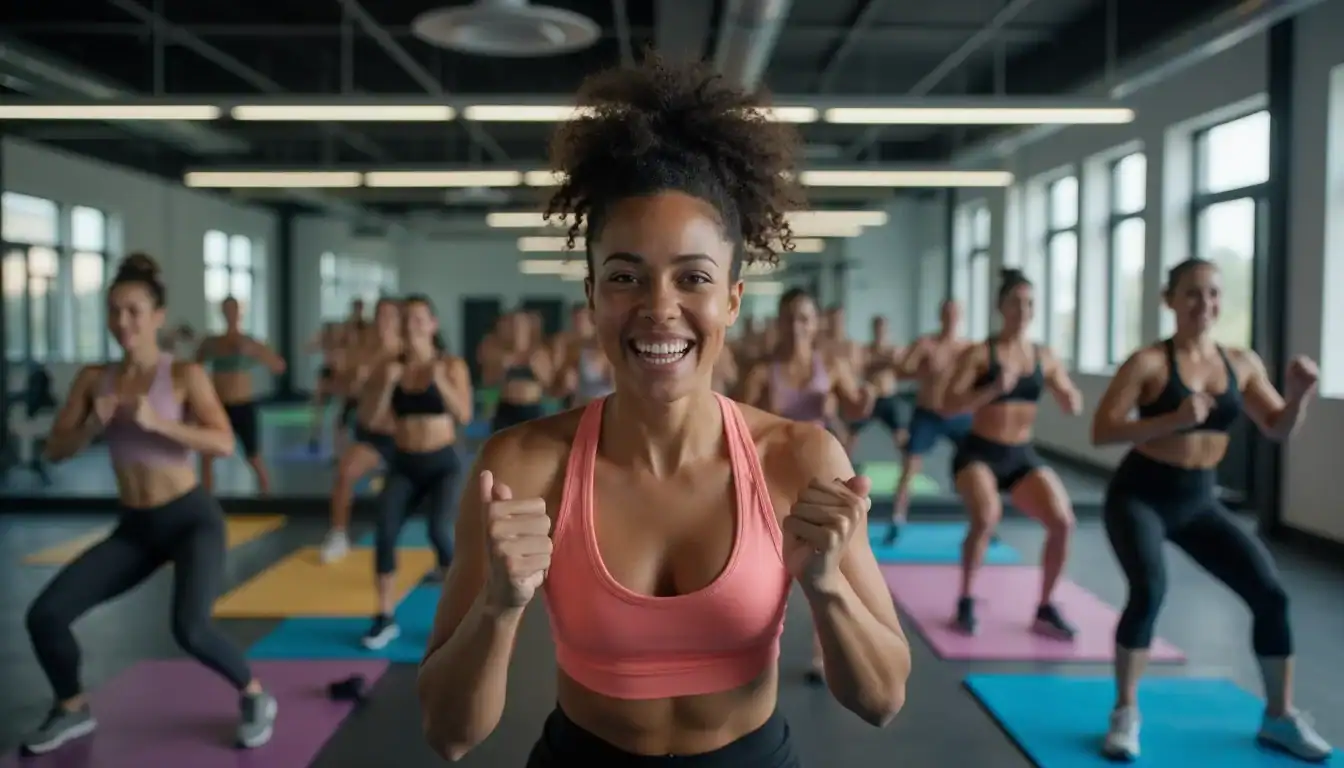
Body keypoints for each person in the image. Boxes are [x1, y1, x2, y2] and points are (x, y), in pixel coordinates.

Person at [417, 56, 909, 767]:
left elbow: (883, 700)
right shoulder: (522, 468)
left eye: (693, 277)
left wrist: (827, 586)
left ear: (732, 299)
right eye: (625, 276)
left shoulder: (799, 460)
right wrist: (498, 605)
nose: (658, 308)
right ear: (590, 296)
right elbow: (448, 733)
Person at [23, 253, 277, 755]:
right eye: (114, 311)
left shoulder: (183, 374)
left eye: (134, 311)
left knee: (190, 628)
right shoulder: (95, 379)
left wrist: (159, 424)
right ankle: (71, 706)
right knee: (46, 615)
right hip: (136, 527)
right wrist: (93, 426)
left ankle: (255, 695)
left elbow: (223, 443)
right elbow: (54, 449)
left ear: (157, 315)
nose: (123, 322)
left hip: (190, 519)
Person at [1090, 258, 1330, 762]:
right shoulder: (1149, 363)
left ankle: (1279, 718)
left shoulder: (1240, 363)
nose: (1205, 304)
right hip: (1141, 495)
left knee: (1270, 593)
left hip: (1199, 499)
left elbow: (1278, 428)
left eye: (1214, 294)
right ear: (1170, 300)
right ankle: (1125, 713)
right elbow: (1103, 431)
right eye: (1193, 294)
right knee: (1149, 588)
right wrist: (1171, 420)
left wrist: (1299, 395)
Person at [738, 287, 877, 685]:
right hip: (774, 473)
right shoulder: (762, 372)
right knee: (768, 567)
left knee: (827, 562)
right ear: (779, 323)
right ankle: (757, 647)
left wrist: (865, 399)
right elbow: (739, 425)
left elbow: (854, 409)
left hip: (821, 472)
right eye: (790, 318)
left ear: (815, 325)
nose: (797, 326)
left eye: (804, 318)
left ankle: (821, 652)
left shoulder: (830, 366)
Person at [943, 269, 1083, 639]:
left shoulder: (1044, 356)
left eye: (1030, 303)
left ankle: (1045, 607)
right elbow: (947, 405)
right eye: (1016, 303)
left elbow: (1069, 393)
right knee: (987, 517)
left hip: (1020, 454)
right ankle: (966, 598)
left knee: (1062, 521)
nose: (1023, 310)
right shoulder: (979, 354)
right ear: (1000, 307)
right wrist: (990, 390)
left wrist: (1070, 399)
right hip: (978, 453)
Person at [359, 295, 472, 649]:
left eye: (420, 318)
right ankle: (385, 616)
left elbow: (464, 415)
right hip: (404, 462)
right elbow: (370, 419)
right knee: (385, 530)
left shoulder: (451, 365)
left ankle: (462, 616)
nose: (412, 325)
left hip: (442, 464)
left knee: (440, 532)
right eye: (407, 319)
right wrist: (389, 384)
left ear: (433, 325)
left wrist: (438, 380)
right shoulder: (389, 367)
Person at [882, 300, 974, 543]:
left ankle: (982, 521)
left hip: (959, 415)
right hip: (928, 413)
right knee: (910, 467)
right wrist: (915, 367)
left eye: (955, 314)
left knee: (976, 469)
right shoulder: (926, 344)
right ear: (940, 316)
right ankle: (897, 520)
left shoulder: (969, 348)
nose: (951, 318)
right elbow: (900, 371)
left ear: (961, 317)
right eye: (947, 313)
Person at [320, 298, 404, 563]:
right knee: (345, 473)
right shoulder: (361, 352)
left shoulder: (408, 352)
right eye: (379, 315)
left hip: (406, 438)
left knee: (405, 496)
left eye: (390, 316)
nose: (383, 322)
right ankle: (338, 535)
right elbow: (341, 389)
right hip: (372, 435)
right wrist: (354, 379)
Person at [195, 297, 287, 495]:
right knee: (207, 454)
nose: (230, 314)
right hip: (218, 406)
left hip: (243, 405)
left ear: (239, 313)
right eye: (226, 310)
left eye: (234, 310)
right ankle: (207, 499)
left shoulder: (249, 342)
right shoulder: (212, 343)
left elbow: (279, 366)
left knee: (253, 456)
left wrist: (257, 353)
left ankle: (267, 495)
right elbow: (194, 368)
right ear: (222, 313)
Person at [843, 315, 908, 456]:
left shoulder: (894, 349)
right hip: (869, 399)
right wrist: (884, 361)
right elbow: (860, 365)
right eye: (877, 328)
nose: (880, 331)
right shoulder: (866, 350)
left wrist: (878, 361)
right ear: (873, 330)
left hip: (888, 397)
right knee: (851, 433)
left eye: (883, 328)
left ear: (888, 330)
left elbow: (900, 362)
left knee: (902, 436)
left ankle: (908, 474)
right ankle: (845, 466)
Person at [480, 310, 555, 431]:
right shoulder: (499, 352)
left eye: (521, 325)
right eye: (513, 325)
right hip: (507, 407)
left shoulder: (539, 352)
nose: (517, 329)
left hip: (531, 407)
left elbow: (549, 383)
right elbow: (487, 381)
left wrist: (536, 368)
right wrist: (502, 367)